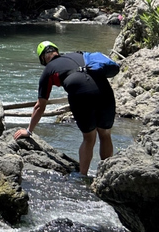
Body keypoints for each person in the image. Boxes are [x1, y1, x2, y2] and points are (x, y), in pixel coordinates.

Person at [13, 41, 115, 176]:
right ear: (56, 51)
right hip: (105, 93)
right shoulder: (79, 54)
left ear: (43, 58)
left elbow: (40, 106)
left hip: (81, 97)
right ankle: (108, 175)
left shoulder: (49, 70)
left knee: (89, 138)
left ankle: (83, 178)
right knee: (105, 133)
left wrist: (29, 131)